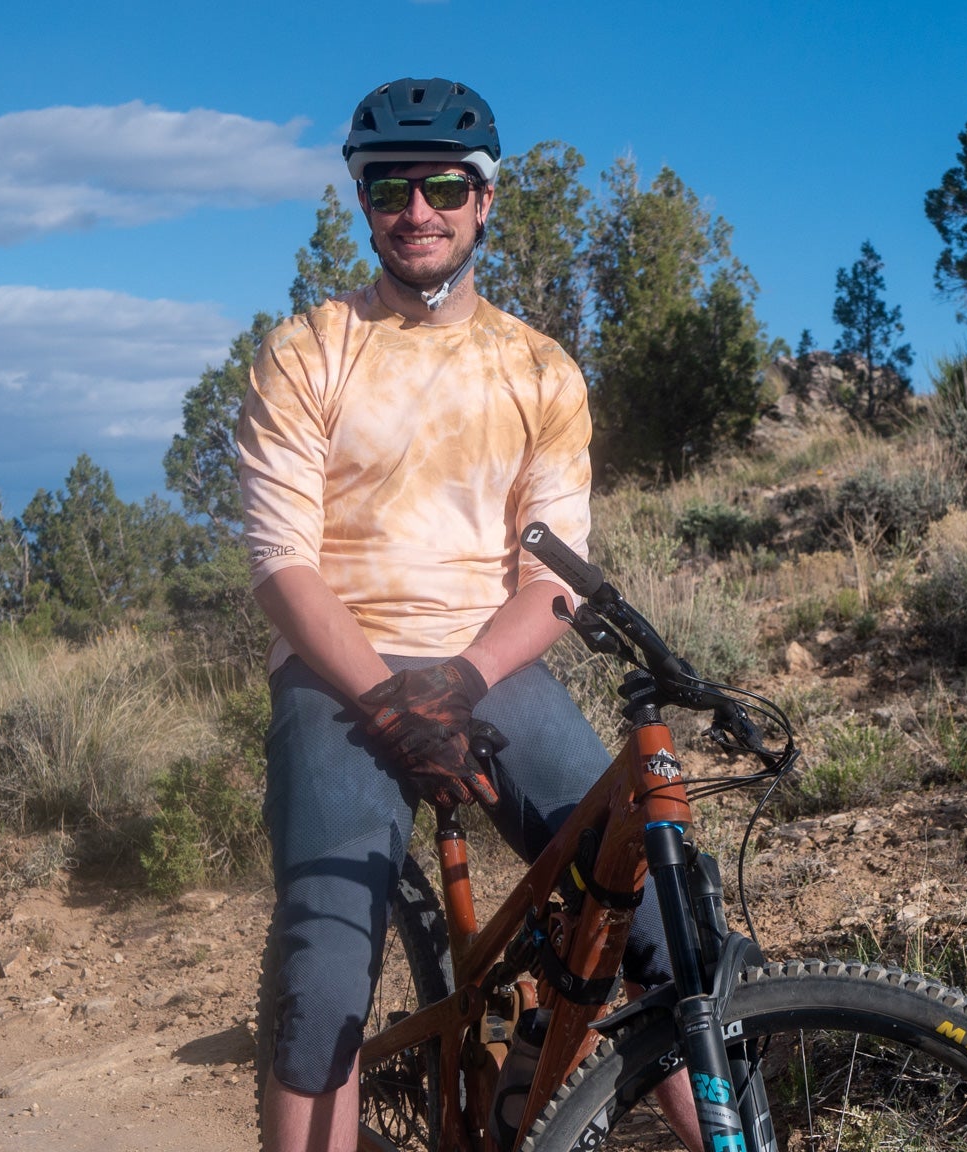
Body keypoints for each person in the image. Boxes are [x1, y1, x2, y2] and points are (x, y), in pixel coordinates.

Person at [242, 77, 693, 1151]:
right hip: (335, 673)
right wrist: (390, 696)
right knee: (324, 945)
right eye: (391, 187)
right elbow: (280, 566)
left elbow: (557, 575)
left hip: (489, 668)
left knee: (660, 906)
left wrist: (460, 683)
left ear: (485, 200)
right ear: (362, 202)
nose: (418, 210)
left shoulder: (538, 369)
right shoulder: (307, 351)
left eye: (445, 185)